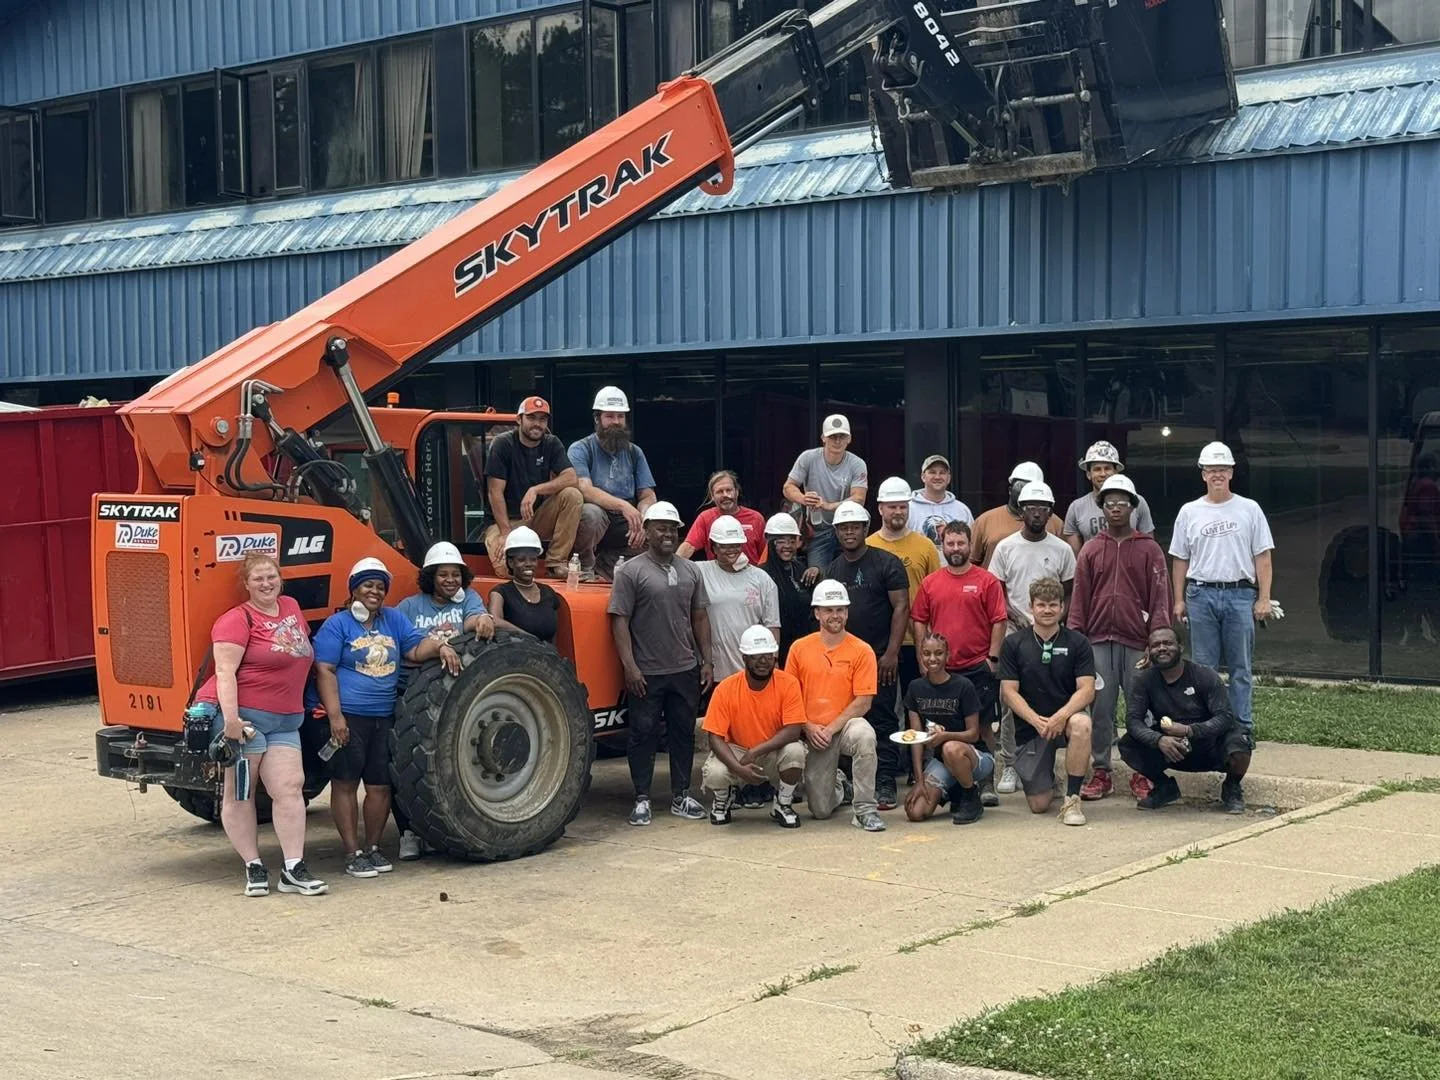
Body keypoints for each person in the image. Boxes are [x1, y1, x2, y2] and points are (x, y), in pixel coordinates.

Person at [313, 557, 459, 878]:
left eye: (380, 586)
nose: (375, 592)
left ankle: (373, 849)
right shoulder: (337, 625)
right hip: (349, 717)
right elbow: (324, 669)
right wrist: (336, 718)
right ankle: (352, 852)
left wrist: (440, 647)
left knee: (380, 786)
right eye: (368, 585)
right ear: (354, 590)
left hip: (384, 717)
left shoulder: (393, 620)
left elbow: (415, 649)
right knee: (346, 784)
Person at [193, 553, 326, 897]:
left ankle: (293, 867)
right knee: (241, 794)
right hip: (247, 721)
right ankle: (253, 866)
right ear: (246, 585)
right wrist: (232, 721)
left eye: (271, 577)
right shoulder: (236, 620)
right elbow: (224, 673)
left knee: (289, 789)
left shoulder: (292, 607)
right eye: (258, 579)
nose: (266, 584)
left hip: (285, 720)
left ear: (281, 579)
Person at [608, 501, 714, 826]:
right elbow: (619, 620)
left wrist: (706, 660)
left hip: (684, 668)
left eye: (672, 528)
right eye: (661, 528)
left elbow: (699, 617)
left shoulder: (690, 570)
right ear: (648, 531)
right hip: (647, 671)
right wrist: (629, 665)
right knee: (643, 733)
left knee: (683, 733)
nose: (668, 533)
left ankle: (681, 795)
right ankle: (642, 797)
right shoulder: (631, 571)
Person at [1067, 474, 1170, 802]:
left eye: (1121, 503)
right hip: (1097, 642)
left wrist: (1157, 641)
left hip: (1137, 643)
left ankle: (1143, 770)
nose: (1115, 509)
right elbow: (1080, 597)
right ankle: (1102, 771)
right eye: (1109, 503)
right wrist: (1076, 640)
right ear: (1102, 507)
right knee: (1101, 708)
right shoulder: (1091, 550)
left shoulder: (1149, 550)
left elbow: (1160, 598)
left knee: (1142, 709)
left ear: (1133, 508)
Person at [393, 541, 496, 859]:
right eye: (443, 574)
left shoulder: (468, 601)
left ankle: (435, 827)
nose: (450, 580)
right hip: (410, 691)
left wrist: (483, 621)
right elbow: (400, 638)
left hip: (452, 697)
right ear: (430, 577)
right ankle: (408, 832)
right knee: (404, 762)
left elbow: (474, 619)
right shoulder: (410, 607)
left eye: (455, 574)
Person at [1169, 441, 1276, 732]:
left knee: (1241, 668)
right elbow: (1180, 559)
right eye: (1211, 470)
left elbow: (1262, 556)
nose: (1217, 475)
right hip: (1200, 594)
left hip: (1240, 594)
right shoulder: (1189, 512)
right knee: (1204, 669)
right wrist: (1178, 600)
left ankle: (1241, 727)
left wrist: (1264, 598)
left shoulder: (1249, 509)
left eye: (1223, 469)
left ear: (1231, 472)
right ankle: (1206, 725)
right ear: (1203, 474)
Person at [909, 521, 1008, 807]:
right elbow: (919, 621)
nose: (955, 549)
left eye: (960, 543)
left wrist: (992, 658)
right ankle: (945, 777)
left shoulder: (986, 580)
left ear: (969, 545)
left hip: (977, 665)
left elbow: (998, 620)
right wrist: (921, 657)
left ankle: (986, 783)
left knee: (985, 726)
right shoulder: (931, 582)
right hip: (943, 670)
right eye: (950, 544)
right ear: (944, 546)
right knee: (937, 726)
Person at [988, 480, 1076, 796]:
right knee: (1012, 702)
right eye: (1031, 507)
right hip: (1016, 634)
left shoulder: (1062, 549)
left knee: (1056, 695)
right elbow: (997, 591)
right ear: (1021, 511)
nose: (1037, 513)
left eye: (1043, 508)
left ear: (1051, 511)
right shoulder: (1006, 547)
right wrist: (1016, 618)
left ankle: (1057, 763)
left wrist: (1054, 620)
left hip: (1053, 632)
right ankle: (1011, 762)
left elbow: (1068, 590)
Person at [823, 500, 909, 810]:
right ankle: (848, 780)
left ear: (865, 528)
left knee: (883, 719)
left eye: (854, 527)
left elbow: (902, 606)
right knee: (846, 721)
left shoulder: (886, 562)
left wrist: (891, 653)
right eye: (843, 527)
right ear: (836, 531)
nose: (849, 532)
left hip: (879, 659)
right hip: (844, 661)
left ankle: (884, 780)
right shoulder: (832, 570)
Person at [785, 580, 886, 832]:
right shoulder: (799, 648)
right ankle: (839, 784)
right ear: (817, 612)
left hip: (844, 726)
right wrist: (808, 728)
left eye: (840, 609)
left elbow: (863, 701)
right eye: (828, 610)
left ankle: (864, 809)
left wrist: (830, 729)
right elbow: (789, 696)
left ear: (847, 612)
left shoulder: (862, 650)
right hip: (814, 732)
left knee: (865, 736)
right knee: (820, 810)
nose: (835, 615)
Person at [1119, 626, 1254, 813]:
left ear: (1181, 647)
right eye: (1156, 645)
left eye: (1168, 643)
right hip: (1172, 748)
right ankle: (1165, 787)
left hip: (1210, 745)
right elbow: (1134, 721)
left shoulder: (1204, 675)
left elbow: (1224, 717)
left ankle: (1232, 788)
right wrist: (1158, 740)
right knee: (1128, 744)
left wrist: (1189, 731)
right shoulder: (1144, 681)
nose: (1162, 648)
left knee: (1241, 742)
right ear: (1149, 651)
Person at [997, 577, 1096, 826]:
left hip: (1066, 718)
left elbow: (1086, 690)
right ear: (1031, 607)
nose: (1048, 610)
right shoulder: (1013, 643)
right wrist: (1036, 721)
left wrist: (1061, 717)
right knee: (1039, 805)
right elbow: (1008, 692)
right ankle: (1050, 780)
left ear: (1062, 607)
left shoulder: (1078, 643)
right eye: (1041, 605)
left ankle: (1072, 799)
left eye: (1053, 604)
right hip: (1032, 726)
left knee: (1082, 724)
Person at [700, 625, 808, 828]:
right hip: (738, 750)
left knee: (795, 751)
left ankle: (783, 803)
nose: (763, 661)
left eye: (768, 655)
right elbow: (714, 737)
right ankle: (723, 799)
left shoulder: (789, 683)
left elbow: (794, 729)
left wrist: (756, 751)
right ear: (744, 658)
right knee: (715, 772)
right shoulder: (726, 688)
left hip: (771, 750)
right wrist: (739, 769)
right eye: (755, 656)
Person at [483, 395, 589, 579]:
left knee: (572, 494)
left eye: (542, 419)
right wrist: (505, 533)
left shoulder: (551, 443)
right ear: (519, 419)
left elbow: (571, 478)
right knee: (505, 572)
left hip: (535, 517)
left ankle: (556, 563)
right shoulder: (502, 443)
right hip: (502, 523)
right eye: (531, 418)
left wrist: (536, 490)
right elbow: (495, 492)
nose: (537, 424)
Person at [901, 632, 992, 826]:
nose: (932, 658)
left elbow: (973, 733)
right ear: (920, 655)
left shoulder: (963, 686)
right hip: (941, 762)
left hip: (974, 757)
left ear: (948, 656)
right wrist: (919, 780)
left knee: (951, 747)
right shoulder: (915, 688)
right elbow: (916, 739)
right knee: (915, 812)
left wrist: (944, 736)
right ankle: (954, 791)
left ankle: (970, 795)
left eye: (938, 653)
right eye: (926, 653)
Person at [570, 386, 658, 581]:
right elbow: (584, 489)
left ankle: (605, 568)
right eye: (610, 416)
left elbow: (647, 495)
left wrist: (643, 519)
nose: (616, 422)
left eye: (620, 416)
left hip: (623, 521)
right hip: (596, 517)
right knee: (591, 514)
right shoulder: (581, 449)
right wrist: (623, 505)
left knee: (657, 533)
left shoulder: (635, 452)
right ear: (597, 419)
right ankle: (585, 566)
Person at [868, 475, 942, 702]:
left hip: (915, 640)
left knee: (917, 706)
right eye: (892, 507)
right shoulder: (868, 545)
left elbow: (935, 594)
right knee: (882, 707)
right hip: (879, 642)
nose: (898, 511)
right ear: (880, 508)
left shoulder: (926, 546)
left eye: (903, 506)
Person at [695, 515, 780, 680]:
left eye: (736, 545)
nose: (732, 550)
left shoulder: (762, 579)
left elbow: (773, 626)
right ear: (714, 547)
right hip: (714, 671)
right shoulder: (699, 572)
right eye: (725, 546)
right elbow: (672, 565)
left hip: (752, 672)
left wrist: (773, 662)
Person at [783, 414, 869, 570]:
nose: (837, 441)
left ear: (849, 439)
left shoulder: (857, 464)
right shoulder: (808, 458)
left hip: (847, 527)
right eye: (832, 436)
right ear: (823, 438)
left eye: (842, 436)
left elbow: (859, 499)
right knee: (818, 576)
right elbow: (788, 487)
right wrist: (803, 499)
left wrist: (828, 506)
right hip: (818, 529)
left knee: (857, 573)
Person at [1062, 441, 1156, 555]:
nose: (1103, 474)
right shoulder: (1076, 507)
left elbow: (1149, 548)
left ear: (1116, 472)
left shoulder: (1137, 502)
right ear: (1088, 474)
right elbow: (1076, 558)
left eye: (1107, 468)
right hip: (1092, 572)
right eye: (1097, 469)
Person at [970, 461, 1063, 569]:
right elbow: (971, 564)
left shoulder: (1056, 523)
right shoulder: (985, 521)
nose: (1026, 491)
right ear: (1010, 490)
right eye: (1021, 486)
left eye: (1031, 487)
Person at [489, 526, 562, 644]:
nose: (528, 564)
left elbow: (555, 638)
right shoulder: (500, 592)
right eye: (521, 560)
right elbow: (494, 621)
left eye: (533, 559)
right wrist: (528, 638)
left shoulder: (549, 593)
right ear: (511, 563)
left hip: (547, 659)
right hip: (516, 657)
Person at [761, 511, 818, 664]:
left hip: (804, 649)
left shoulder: (801, 569)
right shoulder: (761, 575)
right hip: (777, 652)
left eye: (792, 541)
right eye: (781, 541)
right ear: (770, 541)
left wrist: (819, 572)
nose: (787, 546)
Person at [678, 470, 767, 563]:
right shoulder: (705, 518)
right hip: (718, 575)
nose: (725, 495)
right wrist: (672, 569)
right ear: (712, 496)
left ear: (736, 492)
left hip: (750, 574)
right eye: (720, 492)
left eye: (729, 490)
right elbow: (689, 547)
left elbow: (765, 554)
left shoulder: (756, 518)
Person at [907, 454, 974, 551]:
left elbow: (972, 544)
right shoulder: (909, 508)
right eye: (932, 472)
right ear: (923, 477)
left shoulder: (962, 510)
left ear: (949, 478)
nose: (937, 477)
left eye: (942, 473)